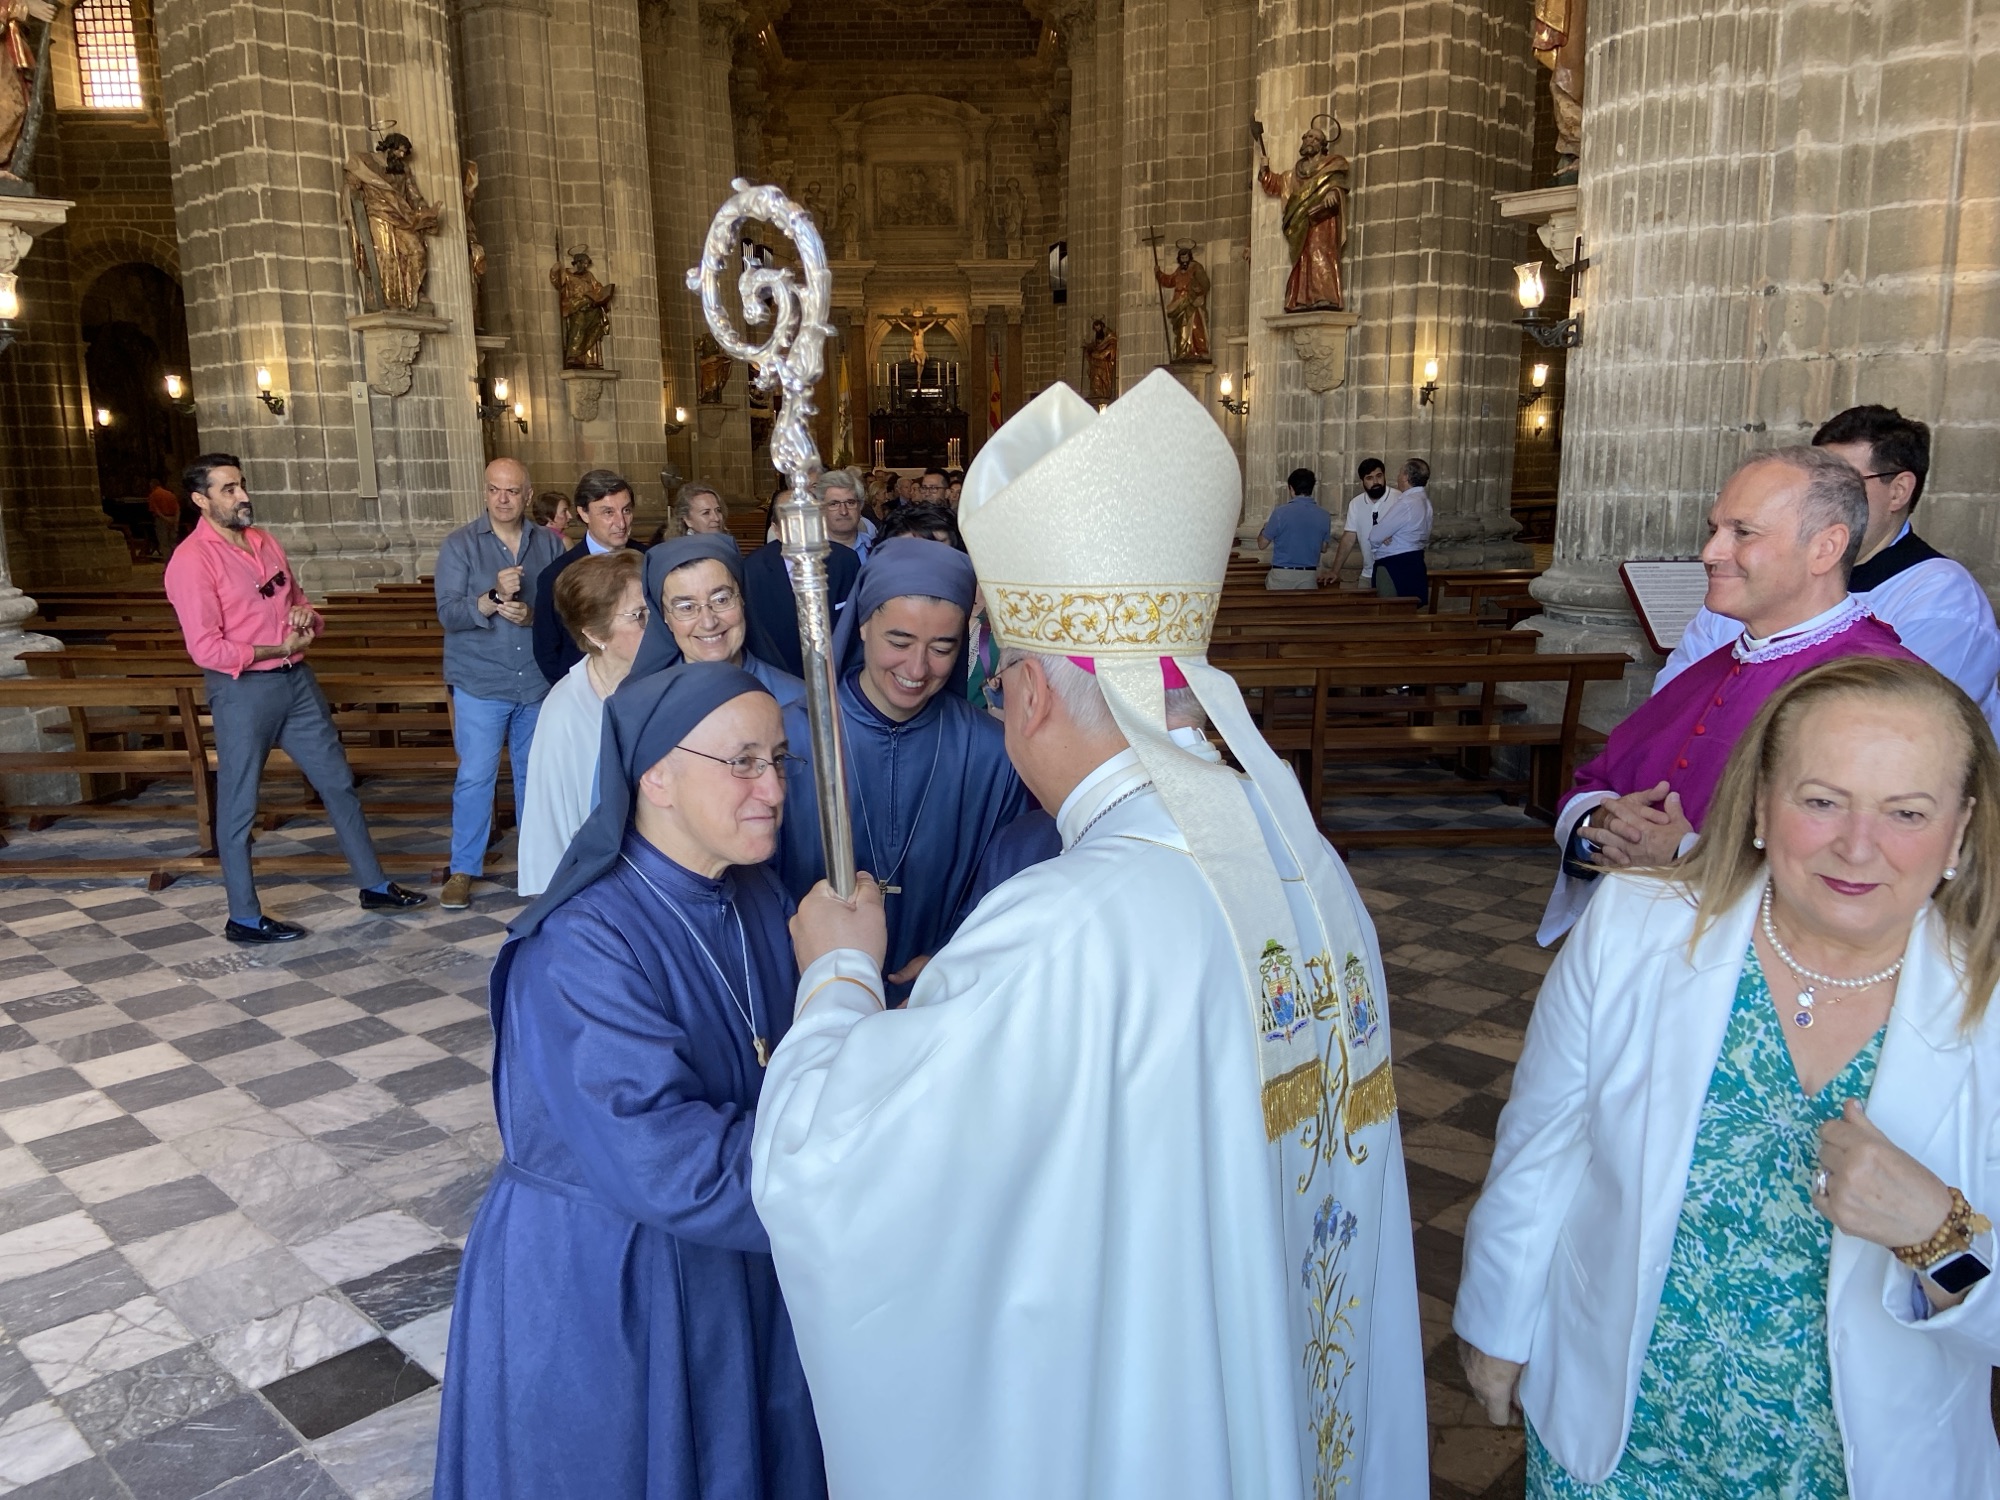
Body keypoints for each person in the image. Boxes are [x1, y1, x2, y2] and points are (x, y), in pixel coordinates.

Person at [751, 372, 1426, 1499]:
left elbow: (839, 1163)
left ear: (1025, 695)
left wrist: (836, 971)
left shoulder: (1071, 921)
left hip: (1155, 1412)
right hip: (1276, 1364)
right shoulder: (1300, 861)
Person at [1457, 656, 2000, 1500]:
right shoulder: (1635, 928)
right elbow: (1542, 1143)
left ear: (1960, 831)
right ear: (1758, 802)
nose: (1859, 846)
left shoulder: (1989, 1005)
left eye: (1907, 813)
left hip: (1853, 1470)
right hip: (1622, 1442)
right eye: (1821, 801)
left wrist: (1940, 1236)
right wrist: (1495, 1323)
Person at [436, 662, 824, 1500]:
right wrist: (865, 1177)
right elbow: (667, 1161)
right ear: (655, 775)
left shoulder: (755, 893)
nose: (772, 789)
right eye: (744, 762)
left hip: (740, 1242)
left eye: (780, 761)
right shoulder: (581, 945)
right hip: (610, 1278)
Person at [1540, 447, 1921, 942]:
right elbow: (1597, 778)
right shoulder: (1717, 666)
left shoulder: (1884, 690)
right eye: (1714, 529)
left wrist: (1684, 857)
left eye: (1742, 532)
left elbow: (1886, 870)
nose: (1710, 552)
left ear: (1825, 549)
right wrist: (1603, 821)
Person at [163, 454, 426, 942]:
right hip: (243, 691)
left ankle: (373, 884)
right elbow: (206, 648)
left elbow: (298, 603)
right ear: (201, 500)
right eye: (227, 490)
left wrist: (307, 621)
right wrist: (272, 648)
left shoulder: (264, 541)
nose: (242, 496)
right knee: (240, 804)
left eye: (241, 485)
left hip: (297, 682)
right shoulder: (191, 561)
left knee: (339, 782)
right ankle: (243, 916)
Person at [773, 537, 1024, 994]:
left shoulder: (992, 754)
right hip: (810, 991)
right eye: (900, 640)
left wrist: (955, 957)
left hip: (941, 998)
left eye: (942, 647)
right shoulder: (789, 740)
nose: (917, 667)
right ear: (865, 624)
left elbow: (1011, 883)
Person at [1658, 406, 2000, 732]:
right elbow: (1673, 697)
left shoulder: (1943, 598)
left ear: (1898, 491)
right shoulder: (1749, 580)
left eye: (1846, 480)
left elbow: (1903, 730)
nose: (1822, 495)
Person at [435, 459, 566, 910]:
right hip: (480, 680)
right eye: (495, 490)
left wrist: (532, 615)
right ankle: (463, 869)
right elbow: (448, 614)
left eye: (512, 491)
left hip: (534, 681)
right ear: (485, 492)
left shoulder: (549, 544)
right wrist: (491, 598)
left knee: (535, 777)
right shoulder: (460, 545)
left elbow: (562, 607)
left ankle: (537, 865)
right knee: (475, 777)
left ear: (527, 495)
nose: (503, 499)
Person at [515, 550, 647, 898]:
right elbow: (550, 828)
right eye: (640, 616)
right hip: (601, 891)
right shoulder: (565, 710)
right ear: (595, 634)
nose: (657, 625)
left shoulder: (665, 681)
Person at [625, 534, 812, 765]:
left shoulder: (801, 703)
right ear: (664, 617)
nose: (708, 622)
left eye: (721, 599)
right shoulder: (638, 710)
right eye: (686, 607)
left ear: (742, 598)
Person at [533, 469, 643, 686]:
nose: (621, 523)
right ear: (583, 513)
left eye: (626, 510)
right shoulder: (557, 574)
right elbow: (547, 651)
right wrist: (578, 693)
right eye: (608, 512)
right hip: (585, 690)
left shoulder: (650, 561)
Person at [740, 512, 862, 680]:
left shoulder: (846, 560)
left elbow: (856, 628)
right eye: (792, 525)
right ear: (776, 530)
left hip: (839, 680)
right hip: (779, 683)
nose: (803, 532)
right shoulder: (752, 570)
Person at [1368, 457, 1433, 600]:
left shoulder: (1407, 502)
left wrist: (1381, 539)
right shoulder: (1425, 501)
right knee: (1407, 613)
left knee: (1390, 613)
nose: (1398, 477)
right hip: (1414, 561)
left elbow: (1375, 536)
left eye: (1400, 473)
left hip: (1396, 566)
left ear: (1406, 477)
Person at [1257, 466, 1332, 588]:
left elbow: (1262, 544)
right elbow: (1323, 548)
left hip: (1281, 575)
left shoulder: (1280, 513)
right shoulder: (1324, 515)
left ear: (1291, 488)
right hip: (1309, 575)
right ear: (1311, 488)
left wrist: (1264, 528)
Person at [1329, 457, 1389, 587]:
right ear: (1362, 481)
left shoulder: (1399, 499)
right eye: (1369, 478)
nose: (1375, 481)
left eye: (1379, 476)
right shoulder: (1356, 503)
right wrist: (1335, 570)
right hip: (1367, 574)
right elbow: (1349, 538)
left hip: (1393, 574)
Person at [814, 469, 874, 562]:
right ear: (820, 509)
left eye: (850, 503)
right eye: (834, 504)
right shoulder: (810, 553)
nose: (843, 511)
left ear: (860, 506)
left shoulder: (875, 547)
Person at [145, 469, 181, 560]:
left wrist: (164, 518)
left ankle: (168, 564)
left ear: (152, 485)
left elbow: (156, 510)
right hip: (173, 519)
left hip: (162, 520)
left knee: (164, 544)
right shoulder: (170, 494)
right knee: (173, 542)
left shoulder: (153, 495)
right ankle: (176, 561)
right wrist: (175, 520)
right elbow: (177, 508)